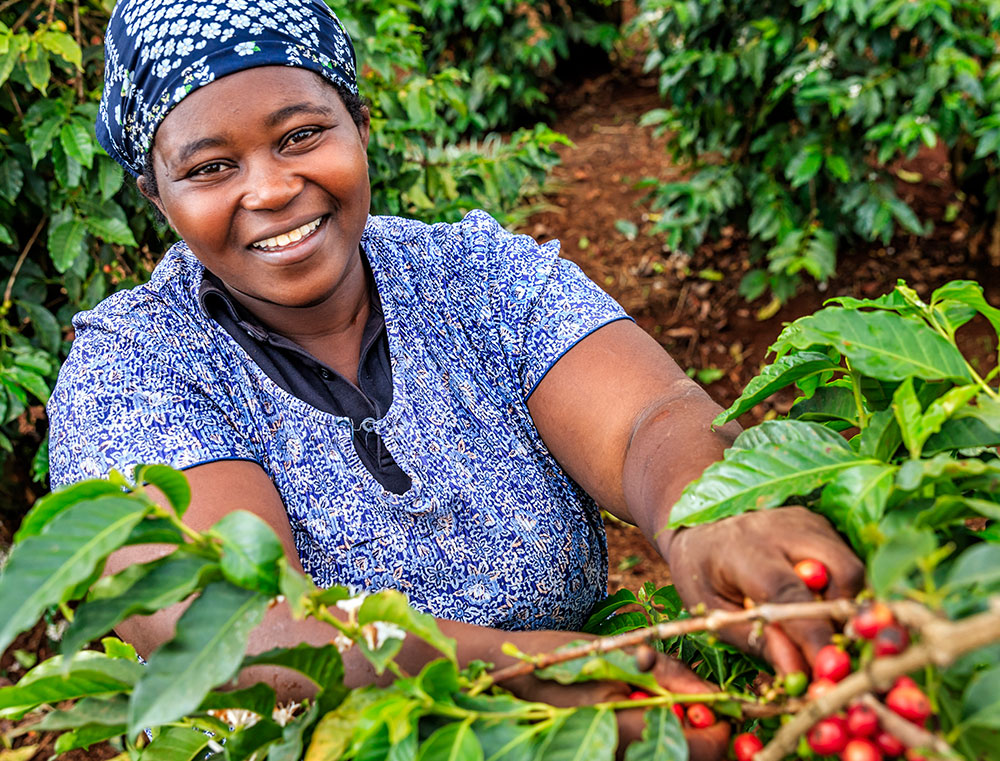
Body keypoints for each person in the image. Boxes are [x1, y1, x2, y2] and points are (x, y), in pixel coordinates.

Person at [46, 0, 864, 756]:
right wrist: (509, 671)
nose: (270, 188)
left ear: (359, 125)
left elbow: (649, 416)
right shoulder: (132, 369)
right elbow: (234, 626)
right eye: (210, 168)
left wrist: (713, 514)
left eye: (300, 135)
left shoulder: (475, 274)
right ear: (158, 196)